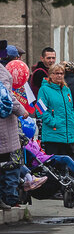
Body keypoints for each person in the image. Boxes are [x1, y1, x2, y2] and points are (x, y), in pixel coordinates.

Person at [0, 45, 30, 210]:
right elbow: (5, 95)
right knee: (5, 163)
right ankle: (5, 198)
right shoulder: (2, 72)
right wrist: (22, 111)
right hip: (4, 121)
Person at [37, 63, 74, 158]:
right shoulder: (44, 89)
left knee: (66, 166)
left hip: (67, 134)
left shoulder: (66, 90)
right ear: (50, 75)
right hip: (53, 135)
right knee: (55, 166)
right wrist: (53, 122)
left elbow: (70, 108)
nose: (59, 75)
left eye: (61, 73)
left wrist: (73, 121)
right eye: (56, 73)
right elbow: (40, 110)